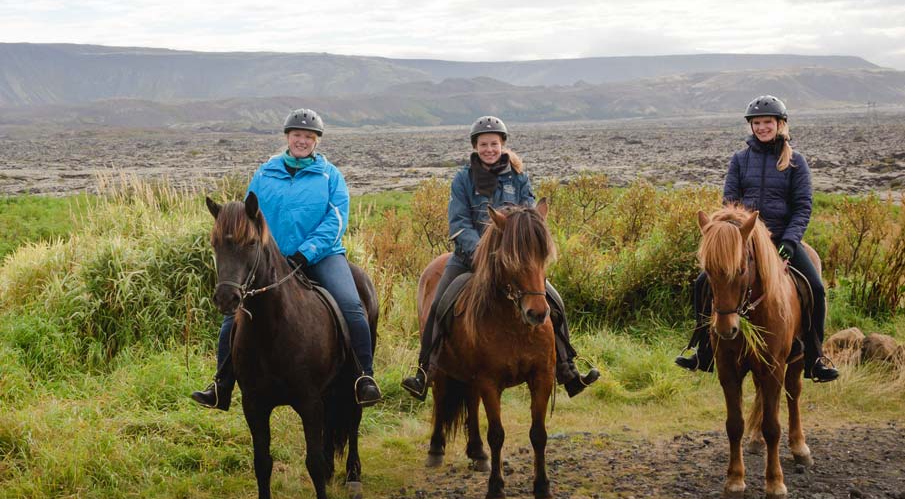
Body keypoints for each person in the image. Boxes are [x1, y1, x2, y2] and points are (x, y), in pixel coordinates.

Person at [192, 108, 383, 409]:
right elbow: (248, 218)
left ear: (316, 141)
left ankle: (363, 377)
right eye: (297, 135)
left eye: (309, 137)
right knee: (234, 315)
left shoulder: (330, 176)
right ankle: (221, 383)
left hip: (321, 256)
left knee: (352, 305)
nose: (302, 141)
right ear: (287, 137)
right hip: (270, 260)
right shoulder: (265, 173)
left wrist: (305, 253)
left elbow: (336, 220)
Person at [400, 115, 600, 400]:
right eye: (484, 144)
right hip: (468, 258)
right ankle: (425, 371)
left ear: (503, 145)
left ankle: (567, 369)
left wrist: (520, 251)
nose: (489, 149)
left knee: (554, 302)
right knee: (439, 304)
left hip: (514, 262)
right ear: (475, 147)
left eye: (494, 144)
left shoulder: (518, 177)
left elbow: (530, 218)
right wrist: (485, 255)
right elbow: (459, 224)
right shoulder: (462, 179)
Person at [675, 95, 839, 382]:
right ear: (751, 126)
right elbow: (730, 203)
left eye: (768, 122)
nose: (762, 127)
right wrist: (734, 235)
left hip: (782, 241)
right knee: (703, 282)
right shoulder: (740, 160)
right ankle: (702, 349)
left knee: (815, 287)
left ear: (780, 124)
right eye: (757, 123)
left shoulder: (796, 162)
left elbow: (803, 206)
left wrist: (790, 240)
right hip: (745, 239)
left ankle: (815, 357)